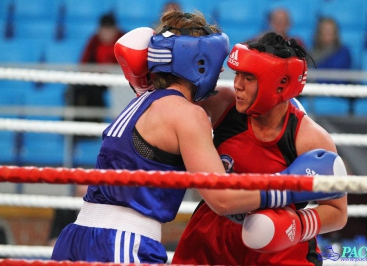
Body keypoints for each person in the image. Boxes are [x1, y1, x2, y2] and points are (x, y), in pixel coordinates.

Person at [50, 10, 264, 264]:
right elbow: (222, 199)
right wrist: (289, 187)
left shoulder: (143, 100)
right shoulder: (187, 114)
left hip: (78, 235)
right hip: (122, 241)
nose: (219, 71)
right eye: (216, 60)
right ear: (198, 60)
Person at [172, 32, 348, 265]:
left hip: (277, 241)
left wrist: (298, 225)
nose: (237, 85)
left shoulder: (310, 138)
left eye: (249, 78)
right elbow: (171, 100)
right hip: (212, 231)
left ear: (279, 83)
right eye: (237, 74)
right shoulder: (224, 103)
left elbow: (337, 212)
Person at [65, 12, 125, 126]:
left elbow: (132, 65)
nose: (107, 33)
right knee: (77, 90)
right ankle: (88, 126)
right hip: (98, 80)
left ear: (116, 29)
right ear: (99, 30)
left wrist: (112, 71)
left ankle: (121, 124)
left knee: (124, 88)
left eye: (110, 29)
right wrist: (97, 71)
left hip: (120, 80)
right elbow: (83, 65)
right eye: (104, 29)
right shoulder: (94, 41)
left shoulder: (124, 39)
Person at [307, 17, 352, 84]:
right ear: (319, 33)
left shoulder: (343, 52)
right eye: (324, 30)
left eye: (330, 30)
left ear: (336, 33)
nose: (327, 33)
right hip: (313, 90)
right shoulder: (311, 53)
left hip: (336, 90)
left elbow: (337, 75)